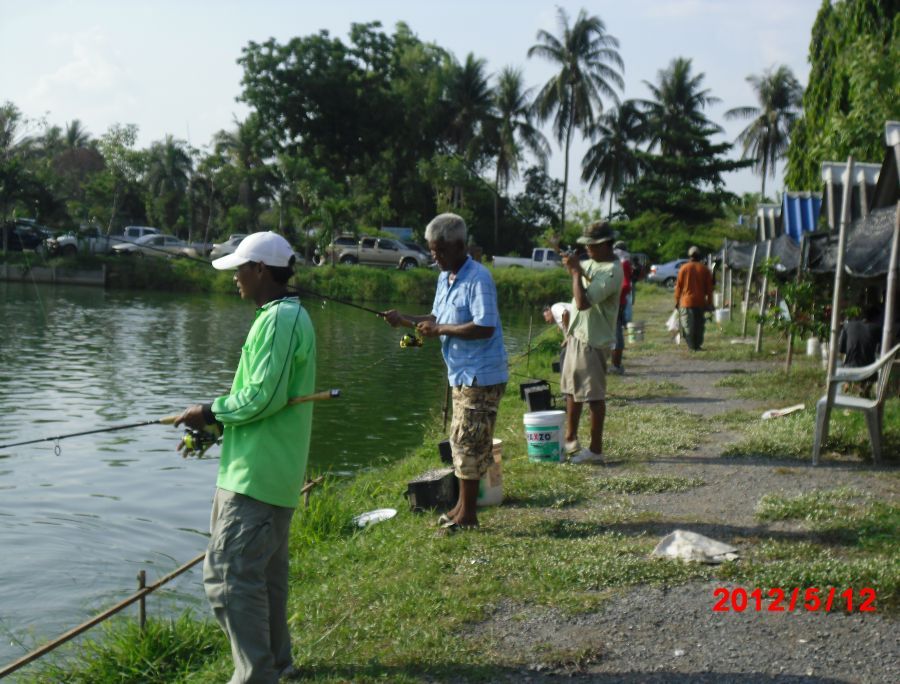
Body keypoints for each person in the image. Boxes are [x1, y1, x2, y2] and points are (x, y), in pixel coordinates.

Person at [175, 231, 315, 683]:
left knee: (229, 579)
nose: (235, 276)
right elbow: (255, 398)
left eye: (240, 268)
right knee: (263, 582)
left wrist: (210, 410)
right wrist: (215, 429)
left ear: (259, 270)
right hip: (253, 469)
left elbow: (264, 396)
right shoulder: (275, 316)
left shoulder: (280, 319)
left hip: (257, 476)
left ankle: (256, 677)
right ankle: (277, 665)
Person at [383, 214, 507, 531]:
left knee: (467, 442)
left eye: (439, 250)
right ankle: (461, 507)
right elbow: (436, 318)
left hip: (481, 375)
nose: (434, 257)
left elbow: (484, 325)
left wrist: (440, 329)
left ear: (460, 246)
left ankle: (468, 516)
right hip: (460, 374)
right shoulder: (445, 278)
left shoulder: (479, 278)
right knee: (461, 440)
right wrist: (405, 319)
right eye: (431, 250)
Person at [560, 221, 623, 464]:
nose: (588, 250)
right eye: (586, 246)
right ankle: (570, 438)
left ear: (607, 245)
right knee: (571, 391)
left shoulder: (612, 271)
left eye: (593, 246)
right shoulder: (592, 263)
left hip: (593, 339)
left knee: (593, 397)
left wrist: (576, 272)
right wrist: (572, 266)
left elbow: (583, 302)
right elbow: (581, 272)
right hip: (576, 334)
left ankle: (595, 451)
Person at [674, 245, 714, 351]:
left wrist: (677, 301)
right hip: (700, 302)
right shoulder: (705, 269)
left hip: (686, 302)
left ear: (689, 256)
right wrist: (710, 303)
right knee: (699, 325)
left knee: (687, 325)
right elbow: (709, 289)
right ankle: (697, 345)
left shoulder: (683, 268)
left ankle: (691, 346)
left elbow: (678, 287)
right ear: (699, 256)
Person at [610, 240, 633, 374]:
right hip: (618, 302)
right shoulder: (624, 260)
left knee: (614, 334)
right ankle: (615, 365)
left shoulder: (616, 259)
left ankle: (615, 365)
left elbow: (625, 284)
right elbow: (626, 285)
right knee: (616, 334)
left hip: (613, 302)